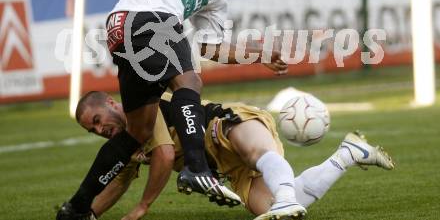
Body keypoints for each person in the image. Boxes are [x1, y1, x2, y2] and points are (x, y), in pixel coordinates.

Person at [56, 0, 290, 219]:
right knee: (189, 80)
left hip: (124, 32)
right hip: (143, 16)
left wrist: (256, 54)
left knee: (136, 131)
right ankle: (197, 168)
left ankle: (75, 209)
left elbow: (211, 48)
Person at [74, 91, 395, 220]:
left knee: (252, 149)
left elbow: (166, 155)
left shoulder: (144, 106)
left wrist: (143, 205)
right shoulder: (128, 146)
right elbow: (116, 184)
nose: (99, 130)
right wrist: (88, 215)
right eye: (93, 130)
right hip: (226, 169)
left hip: (222, 125)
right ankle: (349, 153)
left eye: (98, 120)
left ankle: (284, 194)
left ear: (112, 103)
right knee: (268, 211)